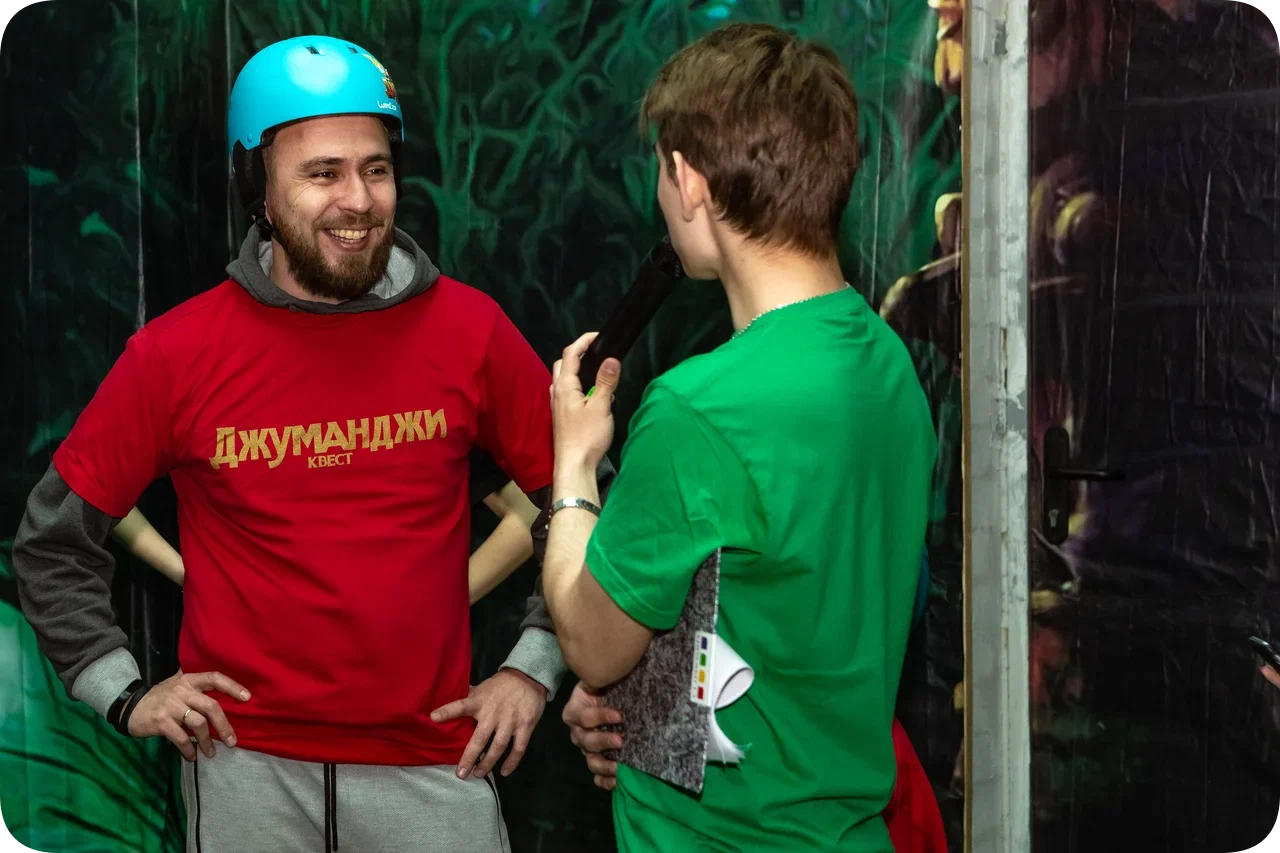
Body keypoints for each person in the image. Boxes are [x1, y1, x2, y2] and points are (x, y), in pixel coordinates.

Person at [13, 35, 571, 852]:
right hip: (242, 769)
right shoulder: (176, 353)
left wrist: (534, 665)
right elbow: (53, 540)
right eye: (323, 173)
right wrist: (124, 692)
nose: (358, 199)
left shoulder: (471, 330)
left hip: (435, 764)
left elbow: (589, 502)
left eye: (376, 169)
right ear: (258, 189)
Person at [539, 22, 936, 853]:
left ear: (689, 180)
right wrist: (638, 705)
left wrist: (574, 462)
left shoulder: (700, 408)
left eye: (662, 168)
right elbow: (775, 615)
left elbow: (589, 639)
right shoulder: (888, 364)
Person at [111, 449, 541, 604]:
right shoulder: (219, 370)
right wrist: (192, 576)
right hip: (249, 710)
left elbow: (530, 511)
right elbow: (96, 486)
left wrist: (441, 605)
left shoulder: (415, 395)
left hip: (405, 710)